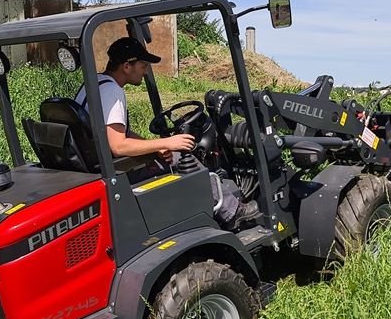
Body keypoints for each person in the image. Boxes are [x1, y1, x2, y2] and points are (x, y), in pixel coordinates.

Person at [77, 37, 259, 230]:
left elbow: (117, 130)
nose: (145, 70)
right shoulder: (113, 92)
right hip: (117, 169)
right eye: (143, 65)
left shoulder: (95, 83)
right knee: (183, 157)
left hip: (99, 164)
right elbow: (118, 145)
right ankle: (231, 212)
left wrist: (156, 147)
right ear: (126, 66)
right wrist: (167, 144)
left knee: (170, 153)